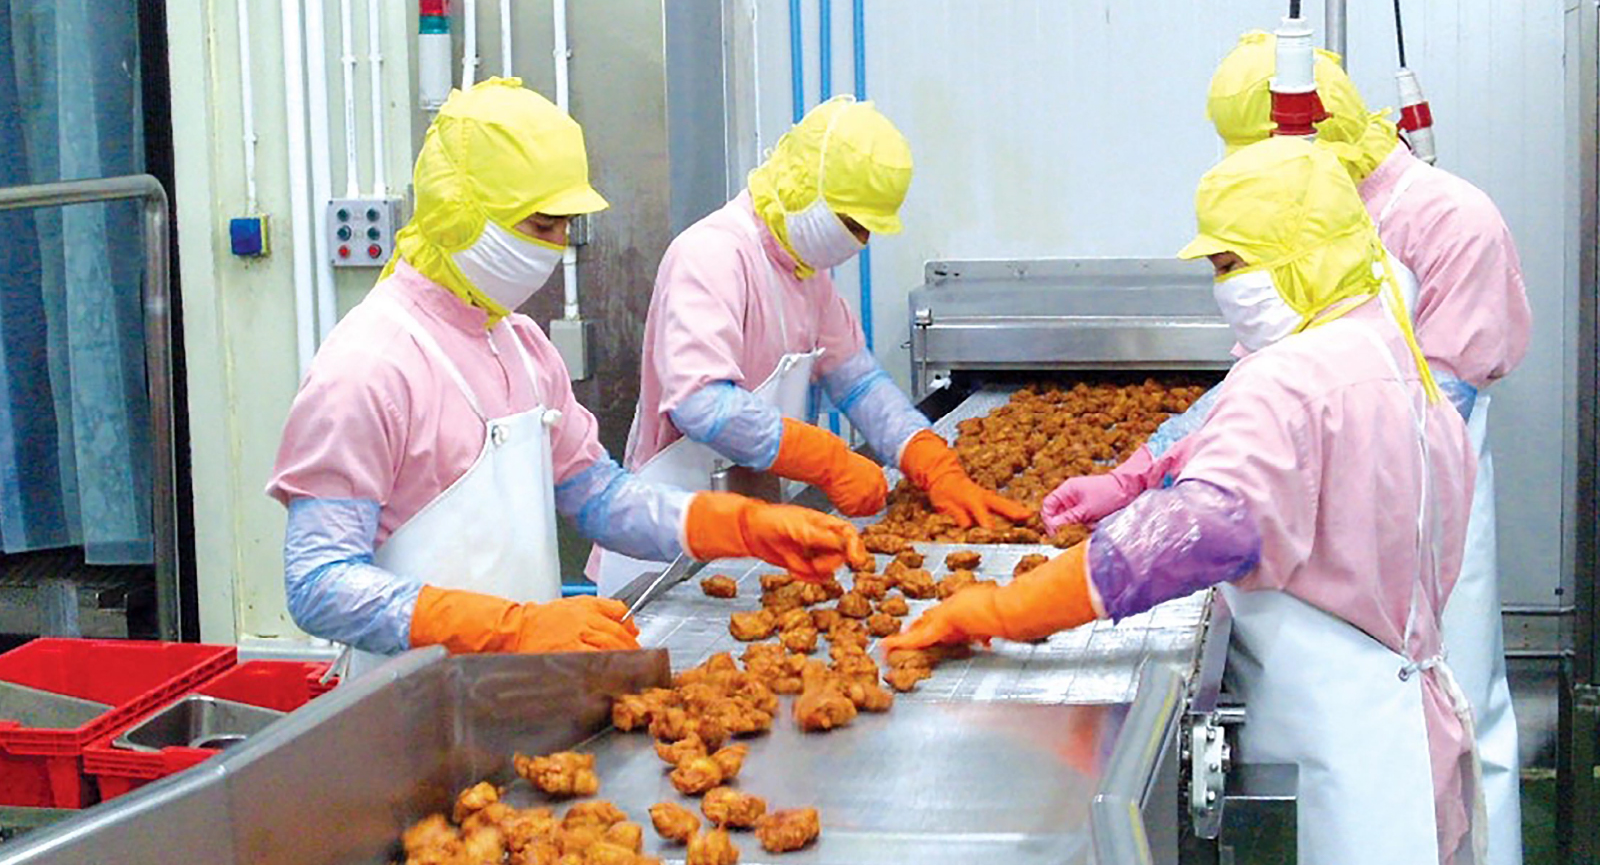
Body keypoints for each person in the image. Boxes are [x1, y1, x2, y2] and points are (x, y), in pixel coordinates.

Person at [890, 139, 1482, 865]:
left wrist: (1002, 610)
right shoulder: (1387, 348)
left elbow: (1189, 533)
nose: (1223, 287)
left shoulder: (1293, 378)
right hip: (1399, 722)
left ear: (1299, 251)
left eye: (1231, 265)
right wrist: (1139, 476)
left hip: (1340, 756)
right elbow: (1262, 453)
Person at [1042, 31, 1530, 865]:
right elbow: (1256, 390)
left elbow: (1389, 417)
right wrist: (1139, 474)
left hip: (1417, 531)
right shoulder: (1297, 225)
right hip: (1317, 551)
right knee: (1337, 771)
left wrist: (1204, 501)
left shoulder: (1452, 220)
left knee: (1451, 739)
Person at [266, 78, 865, 675]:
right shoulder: (368, 368)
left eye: (563, 230)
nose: (554, 250)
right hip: (403, 716)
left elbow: (600, 497)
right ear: (460, 214)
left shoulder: (523, 347)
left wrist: (737, 525)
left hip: (517, 694)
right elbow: (320, 583)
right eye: (540, 226)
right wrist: (512, 626)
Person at [590, 96, 1028, 597]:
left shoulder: (806, 274)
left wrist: (928, 458)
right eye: (851, 221)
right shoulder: (711, 254)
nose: (859, 240)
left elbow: (857, 380)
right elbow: (700, 402)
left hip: (761, 530)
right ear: (804, 185)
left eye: (868, 230)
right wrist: (828, 459)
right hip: (669, 541)